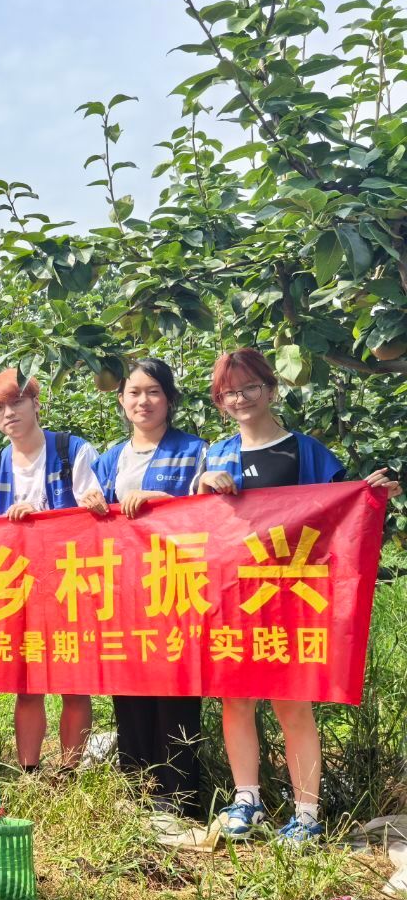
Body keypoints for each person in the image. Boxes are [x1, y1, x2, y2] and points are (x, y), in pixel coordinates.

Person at [196, 347, 400, 844]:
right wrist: (202, 484)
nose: (240, 398)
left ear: (271, 389)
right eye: (228, 392)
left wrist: (374, 493)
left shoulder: (305, 451)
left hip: (292, 598)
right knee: (236, 699)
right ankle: (247, 800)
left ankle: (306, 814)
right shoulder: (215, 455)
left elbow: (344, 512)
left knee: (292, 703)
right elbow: (195, 527)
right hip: (234, 597)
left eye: (249, 387)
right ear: (220, 402)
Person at [0, 368, 108, 772]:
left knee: (74, 682)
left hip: (71, 582)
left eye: (16, 403)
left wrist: (40, 515)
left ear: (36, 404)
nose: (8, 414)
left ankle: (69, 771)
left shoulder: (72, 450)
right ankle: (29, 770)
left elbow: (95, 511)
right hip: (19, 587)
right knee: (27, 685)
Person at [90, 359, 207, 818]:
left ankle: (179, 795)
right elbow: (88, 524)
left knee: (176, 687)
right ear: (121, 400)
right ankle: (137, 789)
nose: (143, 401)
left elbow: (211, 511)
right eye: (134, 392)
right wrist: (91, 504)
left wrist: (166, 503)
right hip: (123, 589)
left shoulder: (195, 450)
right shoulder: (109, 459)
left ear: (170, 399)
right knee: (130, 686)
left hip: (176, 586)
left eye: (154, 391)